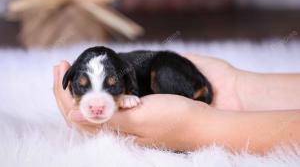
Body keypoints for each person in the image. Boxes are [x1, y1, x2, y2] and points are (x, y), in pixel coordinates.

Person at [53, 54, 300, 154]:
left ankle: (196, 96)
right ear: (70, 81)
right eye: (82, 87)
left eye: (112, 86)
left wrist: (200, 127)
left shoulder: (132, 74)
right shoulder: (118, 69)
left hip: (167, 65)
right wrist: (237, 86)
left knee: (161, 74)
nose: (96, 102)